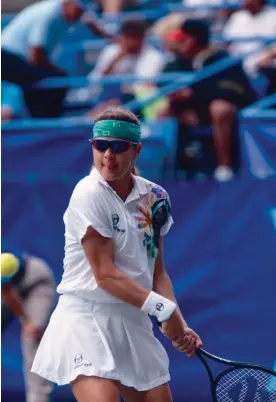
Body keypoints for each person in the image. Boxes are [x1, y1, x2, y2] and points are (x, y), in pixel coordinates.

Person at [31, 107, 203, 402]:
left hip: (132, 321)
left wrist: (180, 324)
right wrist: (163, 310)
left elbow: (156, 272)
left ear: (136, 150)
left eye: (118, 147)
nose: (108, 155)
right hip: (85, 318)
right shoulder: (88, 193)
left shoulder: (156, 198)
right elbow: (105, 276)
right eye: (101, 145)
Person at [159, 19, 256, 181]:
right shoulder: (181, 60)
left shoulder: (222, 58)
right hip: (197, 110)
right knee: (164, 113)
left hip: (230, 110)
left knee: (219, 108)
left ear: (193, 40)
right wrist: (180, 100)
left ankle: (225, 167)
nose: (180, 44)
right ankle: (168, 169)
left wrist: (192, 94)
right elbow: (162, 80)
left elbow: (230, 91)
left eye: (183, 40)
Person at [1, 0, 112, 118]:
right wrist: (56, 71)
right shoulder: (48, 14)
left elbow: (90, 22)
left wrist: (109, 36)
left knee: (50, 79)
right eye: (79, 10)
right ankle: (43, 119)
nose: (80, 15)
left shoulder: (65, 11)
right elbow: (36, 54)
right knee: (53, 79)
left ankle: (42, 117)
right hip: (7, 57)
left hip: (14, 58)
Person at [1, 249, 56, 402]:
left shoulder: (14, 268)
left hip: (37, 282)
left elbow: (8, 293)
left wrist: (29, 324)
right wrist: (24, 320)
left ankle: (38, 397)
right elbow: (8, 295)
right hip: (10, 284)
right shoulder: (4, 282)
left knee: (33, 336)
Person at [87, 18, 166, 118]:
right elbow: (94, 82)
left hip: (138, 103)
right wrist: (116, 60)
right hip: (108, 98)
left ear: (143, 37)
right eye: (128, 36)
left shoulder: (154, 56)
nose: (131, 41)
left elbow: (144, 85)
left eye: (135, 37)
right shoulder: (111, 51)